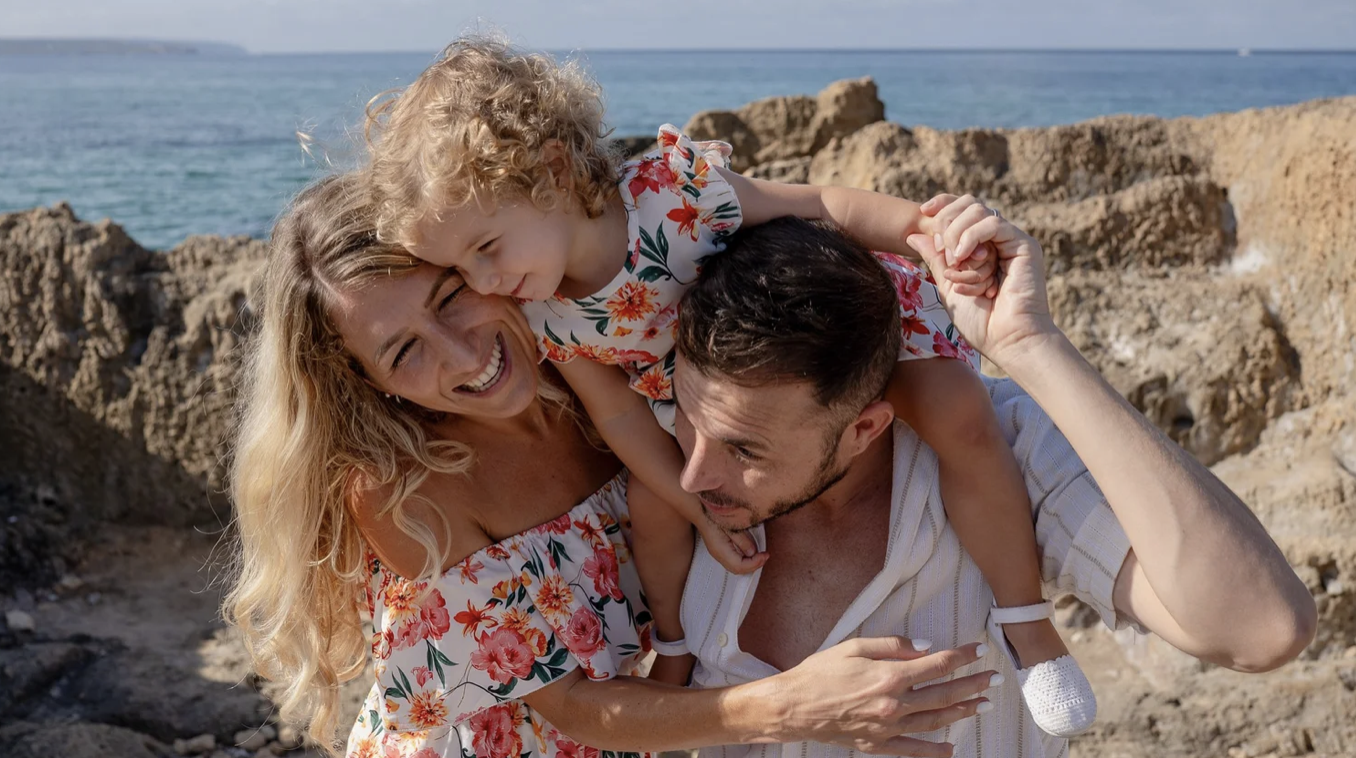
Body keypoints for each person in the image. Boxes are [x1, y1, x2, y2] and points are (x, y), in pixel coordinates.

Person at [363, 36, 1094, 732]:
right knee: (653, 508)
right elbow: (619, 417)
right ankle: (676, 644)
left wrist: (930, 238)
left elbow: (821, 206)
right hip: (709, 396)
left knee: (961, 413)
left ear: (553, 171)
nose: (486, 281)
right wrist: (694, 505)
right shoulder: (544, 309)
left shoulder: (666, 193)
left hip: (821, 330)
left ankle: (1028, 625)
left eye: (487, 247)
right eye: (462, 270)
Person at [223, 172, 1006, 758]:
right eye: (403, 352)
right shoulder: (406, 490)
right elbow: (572, 708)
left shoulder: (605, 351)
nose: (462, 356)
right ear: (365, 381)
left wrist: (954, 245)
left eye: (450, 297)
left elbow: (808, 276)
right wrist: (794, 704)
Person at [669, 202, 1318, 757]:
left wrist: (1032, 345)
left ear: (864, 428)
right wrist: (778, 709)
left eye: (744, 450)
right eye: (686, 416)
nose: (694, 474)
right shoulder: (652, 464)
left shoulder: (1005, 449)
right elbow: (600, 704)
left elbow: (1261, 629)